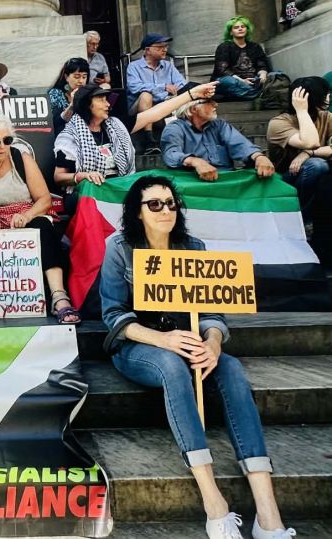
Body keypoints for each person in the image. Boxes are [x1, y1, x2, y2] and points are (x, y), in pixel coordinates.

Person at [100, 175, 297, 539]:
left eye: (170, 203)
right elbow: (113, 316)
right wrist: (163, 339)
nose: (165, 210)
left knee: (233, 369)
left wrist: (213, 342)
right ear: (137, 212)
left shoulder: (193, 246)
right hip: (140, 347)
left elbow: (212, 313)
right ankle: (213, 500)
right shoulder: (119, 247)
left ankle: (268, 511)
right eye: (154, 204)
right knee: (173, 366)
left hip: (191, 340)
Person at [0, 111, 79, 328]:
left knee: (43, 226)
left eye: (7, 140)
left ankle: (59, 297)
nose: (2, 146)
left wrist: (28, 215)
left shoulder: (22, 158)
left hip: (22, 214)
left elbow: (44, 199)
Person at [53, 82, 218, 213]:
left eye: (107, 100)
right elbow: (59, 177)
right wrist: (84, 175)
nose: (108, 104)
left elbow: (155, 114)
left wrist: (191, 95)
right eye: (101, 100)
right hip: (90, 193)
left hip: (119, 187)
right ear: (87, 105)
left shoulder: (116, 126)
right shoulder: (69, 136)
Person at [267, 76, 332, 250]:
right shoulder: (279, 123)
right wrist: (302, 111)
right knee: (317, 165)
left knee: (318, 166)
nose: (329, 97)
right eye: (326, 94)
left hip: (315, 180)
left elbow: (312, 148)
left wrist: (307, 153)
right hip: (283, 179)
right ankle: (301, 219)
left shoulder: (327, 117)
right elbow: (310, 141)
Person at [161, 90, 275, 180]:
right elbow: (171, 154)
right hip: (194, 182)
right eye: (209, 101)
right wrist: (194, 161)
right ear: (193, 108)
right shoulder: (175, 128)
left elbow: (240, 144)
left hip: (225, 179)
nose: (215, 104)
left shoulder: (219, 125)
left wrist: (259, 157)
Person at [126, 33, 187, 154]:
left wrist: (170, 95)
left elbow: (182, 84)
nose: (164, 49)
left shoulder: (169, 66)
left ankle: (177, 139)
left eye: (166, 46)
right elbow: (134, 87)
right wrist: (162, 87)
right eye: (159, 47)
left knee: (179, 97)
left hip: (163, 106)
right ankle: (150, 140)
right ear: (147, 50)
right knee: (146, 95)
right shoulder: (133, 67)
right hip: (139, 110)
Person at [210, 16, 270, 101]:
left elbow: (262, 65)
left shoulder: (255, 46)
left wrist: (263, 76)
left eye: (243, 27)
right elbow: (222, 70)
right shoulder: (224, 47)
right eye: (236, 27)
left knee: (276, 75)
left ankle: (247, 94)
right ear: (231, 32)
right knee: (229, 82)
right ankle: (257, 93)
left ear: (247, 29)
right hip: (233, 80)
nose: (240, 29)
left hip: (252, 80)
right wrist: (242, 81)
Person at [48, 57, 90, 134]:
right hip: (64, 134)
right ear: (66, 77)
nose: (81, 81)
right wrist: (72, 105)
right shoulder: (56, 94)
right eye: (77, 77)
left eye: (84, 77)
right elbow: (55, 123)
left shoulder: (89, 93)